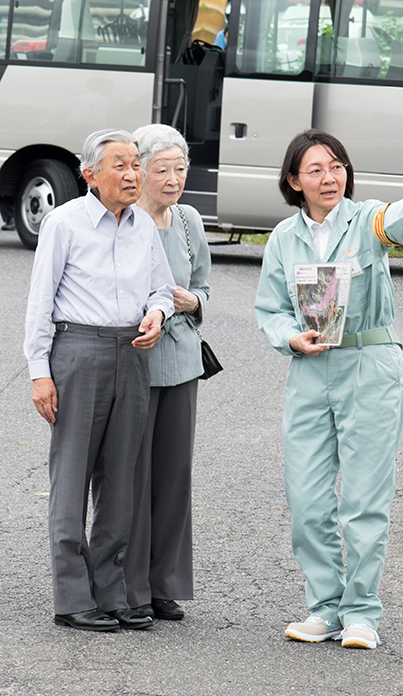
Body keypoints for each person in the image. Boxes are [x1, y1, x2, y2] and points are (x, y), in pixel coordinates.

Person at [255, 129, 403, 650]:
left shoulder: (364, 217)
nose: (330, 178)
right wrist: (290, 337)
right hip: (310, 367)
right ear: (293, 181)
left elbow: (392, 222)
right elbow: (271, 309)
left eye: (337, 166)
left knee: (365, 499)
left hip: (370, 363)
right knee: (306, 498)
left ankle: (362, 613)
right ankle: (324, 609)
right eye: (316, 170)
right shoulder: (283, 237)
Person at [24, 129, 176, 632]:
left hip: (131, 352)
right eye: (121, 165)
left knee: (120, 481)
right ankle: (71, 598)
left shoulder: (143, 227)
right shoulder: (63, 223)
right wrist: (40, 373)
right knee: (70, 478)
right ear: (90, 174)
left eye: (136, 163)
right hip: (78, 350)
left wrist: (157, 312)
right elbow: (39, 303)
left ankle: (111, 593)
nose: (133, 174)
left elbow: (161, 287)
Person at [123, 124, 211, 621]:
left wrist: (193, 300)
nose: (174, 178)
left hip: (180, 363)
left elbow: (204, 287)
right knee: (130, 477)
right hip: (134, 357)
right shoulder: (125, 218)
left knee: (173, 475)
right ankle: (129, 584)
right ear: (140, 170)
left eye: (181, 169)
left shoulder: (188, 220)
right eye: (163, 170)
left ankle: (164, 583)